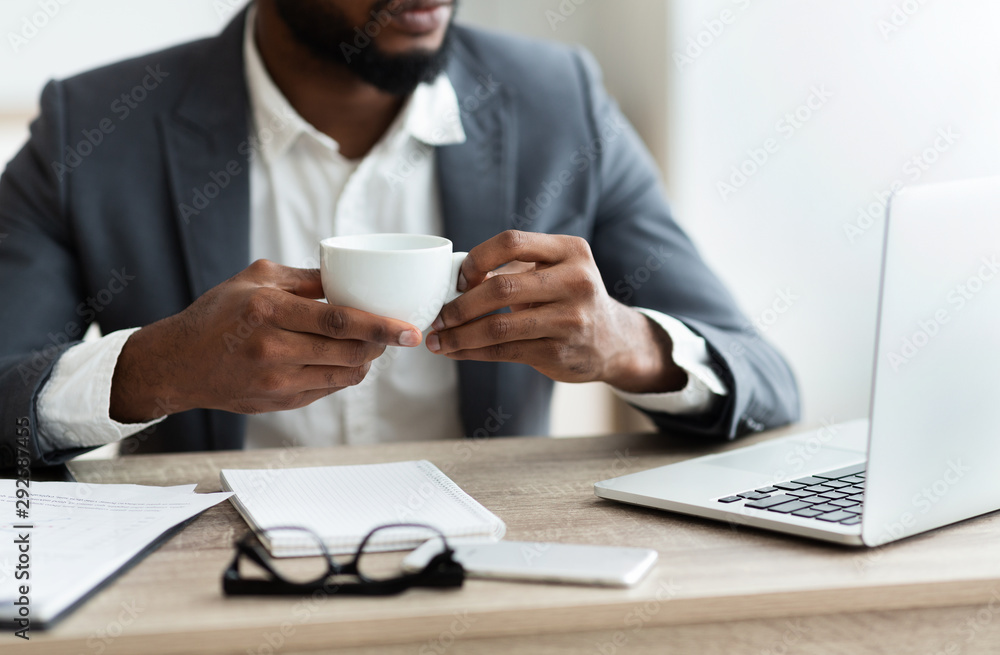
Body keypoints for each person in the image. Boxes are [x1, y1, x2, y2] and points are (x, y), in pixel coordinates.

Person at [0, 0, 799, 468]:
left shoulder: (563, 105)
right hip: (206, 600)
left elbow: (765, 379)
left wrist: (629, 342)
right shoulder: (93, 126)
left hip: (485, 596)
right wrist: (157, 367)